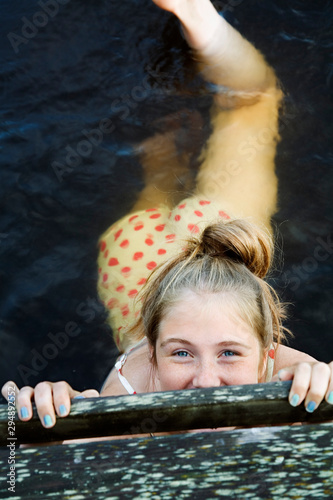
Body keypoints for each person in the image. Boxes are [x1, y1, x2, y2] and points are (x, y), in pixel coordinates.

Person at [2, 0, 332, 431]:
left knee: (251, 103)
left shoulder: (289, 373)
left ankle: (162, 159)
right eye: (180, 353)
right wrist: (46, 423)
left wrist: (323, 381)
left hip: (138, 255)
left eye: (230, 352)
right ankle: (165, 149)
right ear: (152, 354)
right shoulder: (127, 387)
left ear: (270, 354)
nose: (206, 383)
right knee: (251, 101)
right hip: (197, 235)